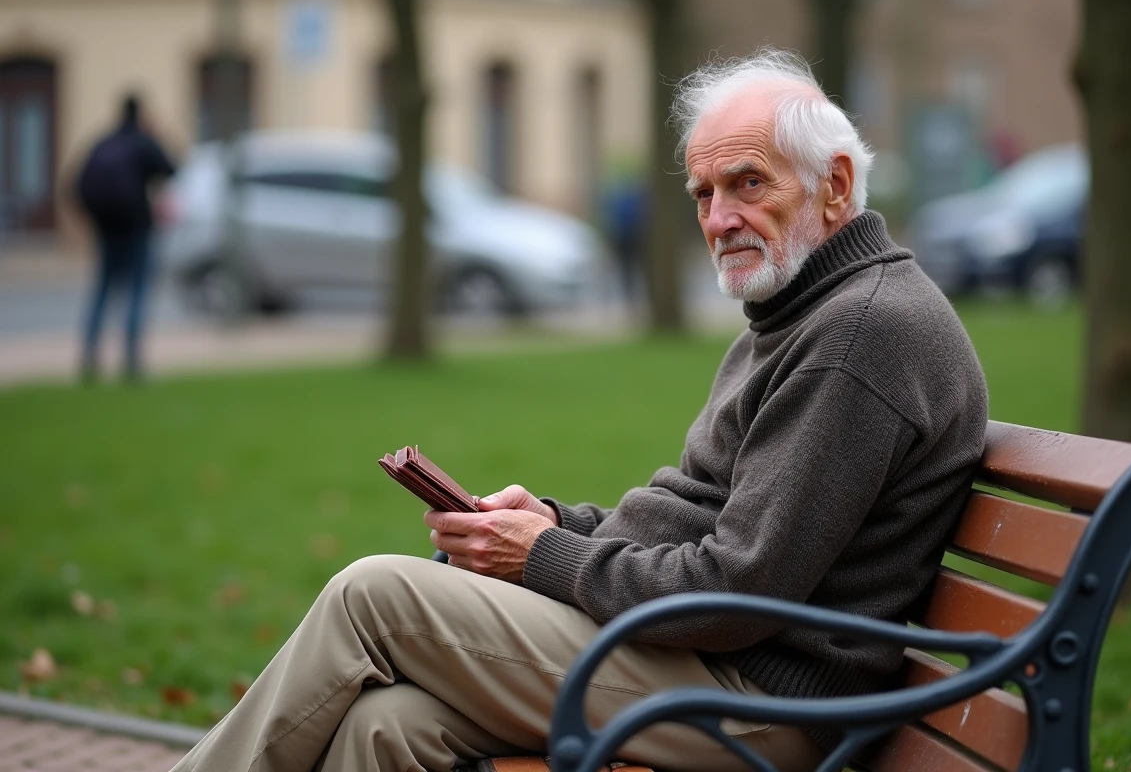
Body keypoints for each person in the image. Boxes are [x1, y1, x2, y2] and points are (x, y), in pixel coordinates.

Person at [171, 49, 988, 772]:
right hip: (718, 667)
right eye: (703, 193)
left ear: (835, 185)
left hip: (767, 706)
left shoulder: (859, 333)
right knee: (388, 728)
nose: (718, 219)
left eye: (747, 184)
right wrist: (560, 522)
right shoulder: (804, 313)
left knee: (372, 595)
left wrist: (545, 556)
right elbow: (701, 517)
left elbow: (736, 583)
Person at [76, 93, 175, 382]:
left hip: (107, 230)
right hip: (136, 228)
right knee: (137, 292)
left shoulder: (104, 142)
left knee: (102, 291)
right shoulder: (143, 142)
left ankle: (90, 358)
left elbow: (76, 183)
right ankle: (131, 361)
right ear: (141, 113)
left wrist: (96, 219)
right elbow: (171, 169)